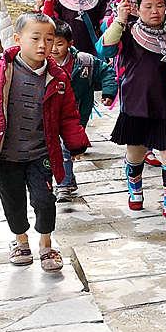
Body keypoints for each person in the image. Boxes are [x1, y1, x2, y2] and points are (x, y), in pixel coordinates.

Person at [0, 13, 89, 271]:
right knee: (13, 201)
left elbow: (68, 114)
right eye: (35, 38)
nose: (42, 45)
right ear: (17, 39)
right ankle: (21, 240)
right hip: (6, 155)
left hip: (42, 153)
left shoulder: (57, 78)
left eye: (49, 40)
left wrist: (76, 143)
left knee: (45, 200)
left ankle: (47, 245)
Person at [99, 0, 166, 227]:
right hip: (137, 103)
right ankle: (135, 188)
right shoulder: (127, 33)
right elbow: (104, 48)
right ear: (137, 9)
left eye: (159, 5)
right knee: (135, 154)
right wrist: (120, 19)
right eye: (148, 6)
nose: (154, 11)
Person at [51, 21, 117, 202]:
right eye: (51, 43)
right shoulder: (42, 63)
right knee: (59, 147)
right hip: (51, 113)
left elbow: (107, 71)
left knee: (66, 146)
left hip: (78, 113)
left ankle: (63, 185)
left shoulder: (85, 61)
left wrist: (109, 92)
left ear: (70, 43)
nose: (54, 49)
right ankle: (66, 182)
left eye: (60, 44)